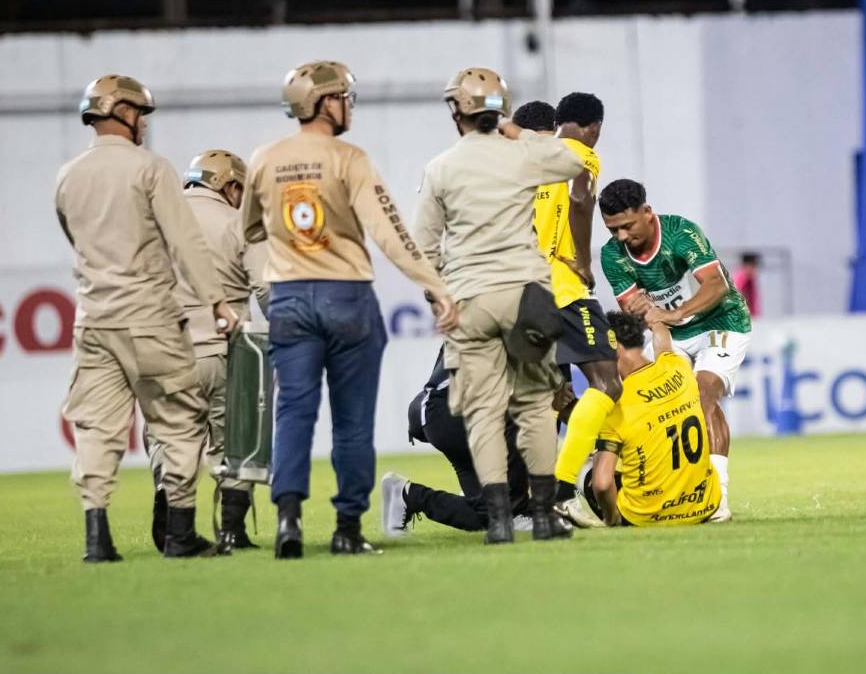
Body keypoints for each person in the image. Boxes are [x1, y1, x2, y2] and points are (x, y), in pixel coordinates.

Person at [243, 60, 456, 559]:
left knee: (293, 413)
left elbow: (248, 229)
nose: (349, 106)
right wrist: (436, 285)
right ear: (324, 102)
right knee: (352, 421)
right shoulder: (349, 158)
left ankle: (288, 521)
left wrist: (288, 241)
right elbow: (391, 235)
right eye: (344, 97)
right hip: (347, 297)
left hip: (290, 299)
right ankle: (346, 527)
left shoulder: (264, 158)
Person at [56, 74, 239, 562]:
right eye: (140, 114)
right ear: (125, 114)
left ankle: (97, 538)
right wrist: (217, 301)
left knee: (97, 427)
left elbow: (74, 237)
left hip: (93, 319)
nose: (143, 124)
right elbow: (185, 241)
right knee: (179, 421)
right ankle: (180, 532)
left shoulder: (68, 175)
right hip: (150, 317)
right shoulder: (151, 169)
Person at [412, 67, 586, 544]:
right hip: (527, 294)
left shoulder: (441, 167)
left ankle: (501, 521)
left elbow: (422, 248)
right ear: (500, 109)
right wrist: (518, 131)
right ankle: (546, 517)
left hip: (470, 297)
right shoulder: (521, 156)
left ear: (456, 111)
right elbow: (573, 163)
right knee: (533, 405)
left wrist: (437, 297)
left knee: (484, 411)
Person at [597, 178, 750, 521]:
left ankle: (716, 498)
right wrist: (657, 323)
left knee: (701, 392)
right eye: (612, 230)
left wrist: (675, 313)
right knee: (665, 402)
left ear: (647, 213)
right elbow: (641, 312)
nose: (621, 237)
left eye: (627, 226)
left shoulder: (681, 233)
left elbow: (718, 285)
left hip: (721, 322)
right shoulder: (612, 256)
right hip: (671, 334)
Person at [145, 150, 270, 553]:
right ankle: (233, 530)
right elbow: (268, 289)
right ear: (228, 185)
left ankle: (170, 513)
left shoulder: (158, 222)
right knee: (235, 440)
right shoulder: (239, 222)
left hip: (165, 350)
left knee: (168, 437)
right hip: (224, 349)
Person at [510, 96, 620, 528]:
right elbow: (579, 199)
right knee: (608, 382)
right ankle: (562, 489)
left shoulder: (522, 161)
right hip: (564, 289)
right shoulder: (581, 154)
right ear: (593, 127)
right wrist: (584, 262)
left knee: (553, 396)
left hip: (521, 294)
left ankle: (537, 496)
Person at [379, 350, 534, 536]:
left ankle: (408, 495)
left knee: (489, 516)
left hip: (441, 412)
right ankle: (519, 512)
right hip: (452, 414)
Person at [589, 312, 722, 526]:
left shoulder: (616, 406)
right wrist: (655, 318)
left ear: (615, 347)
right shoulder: (678, 368)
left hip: (646, 517)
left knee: (589, 470)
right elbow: (664, 343)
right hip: (703, 505)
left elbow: (603, 484)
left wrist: (612, 520)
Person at [733, 251, 761, 316]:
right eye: (754, 265)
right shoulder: (740, 279)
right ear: (747, 265)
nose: (756, 269)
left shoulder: (749, 280)